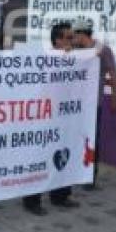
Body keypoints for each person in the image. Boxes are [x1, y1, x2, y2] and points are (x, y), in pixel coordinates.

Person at [23, 22, 80, 215]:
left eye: (73, 37)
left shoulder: (73, 59)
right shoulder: (46, 58)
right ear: (58, 40)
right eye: (69, 37)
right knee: (40, 157)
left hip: (66, 115)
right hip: (45, 116)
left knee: (64, 154)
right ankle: (32, 200)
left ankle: (61, 195)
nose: (73, 41)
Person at [72, 18, 116, 190]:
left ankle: (90, 177)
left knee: (93, 140)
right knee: (74, 138)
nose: (72, 38)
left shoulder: (103, 51)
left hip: (93, 105)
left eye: (74, 35)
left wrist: (115, 98)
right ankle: (73, 173)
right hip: (75, 105)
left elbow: (113, 74)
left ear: (81, 34)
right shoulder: (74, 51)